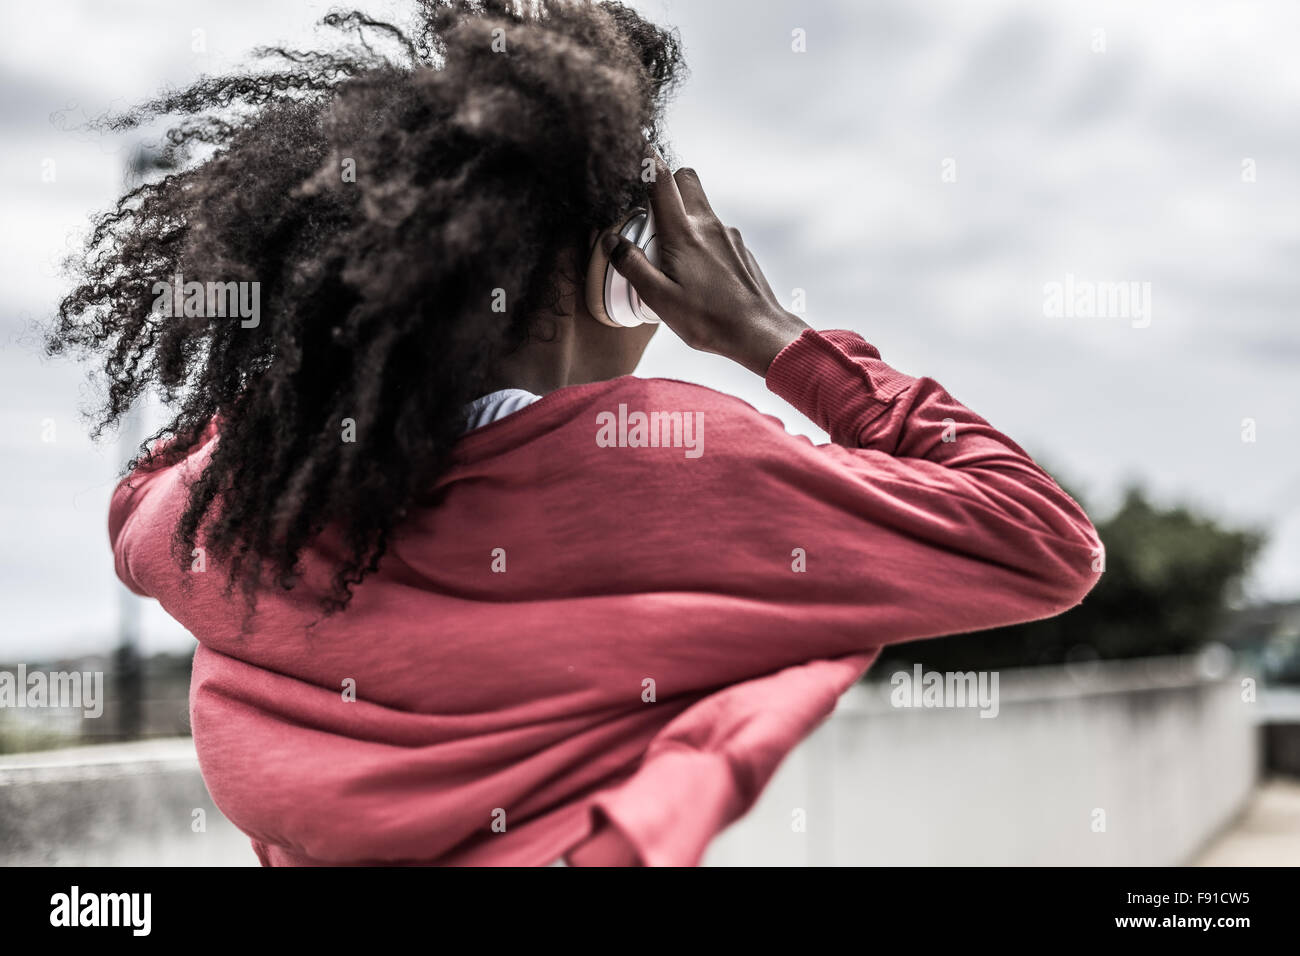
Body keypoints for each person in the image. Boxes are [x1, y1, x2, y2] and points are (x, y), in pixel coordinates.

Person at [50, 0, 1101, 866]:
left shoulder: (232, 509)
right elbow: (1037, 537)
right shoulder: (675, 463)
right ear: (610, 271)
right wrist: (773, 338)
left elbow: (143, 488)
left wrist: (317, 360)